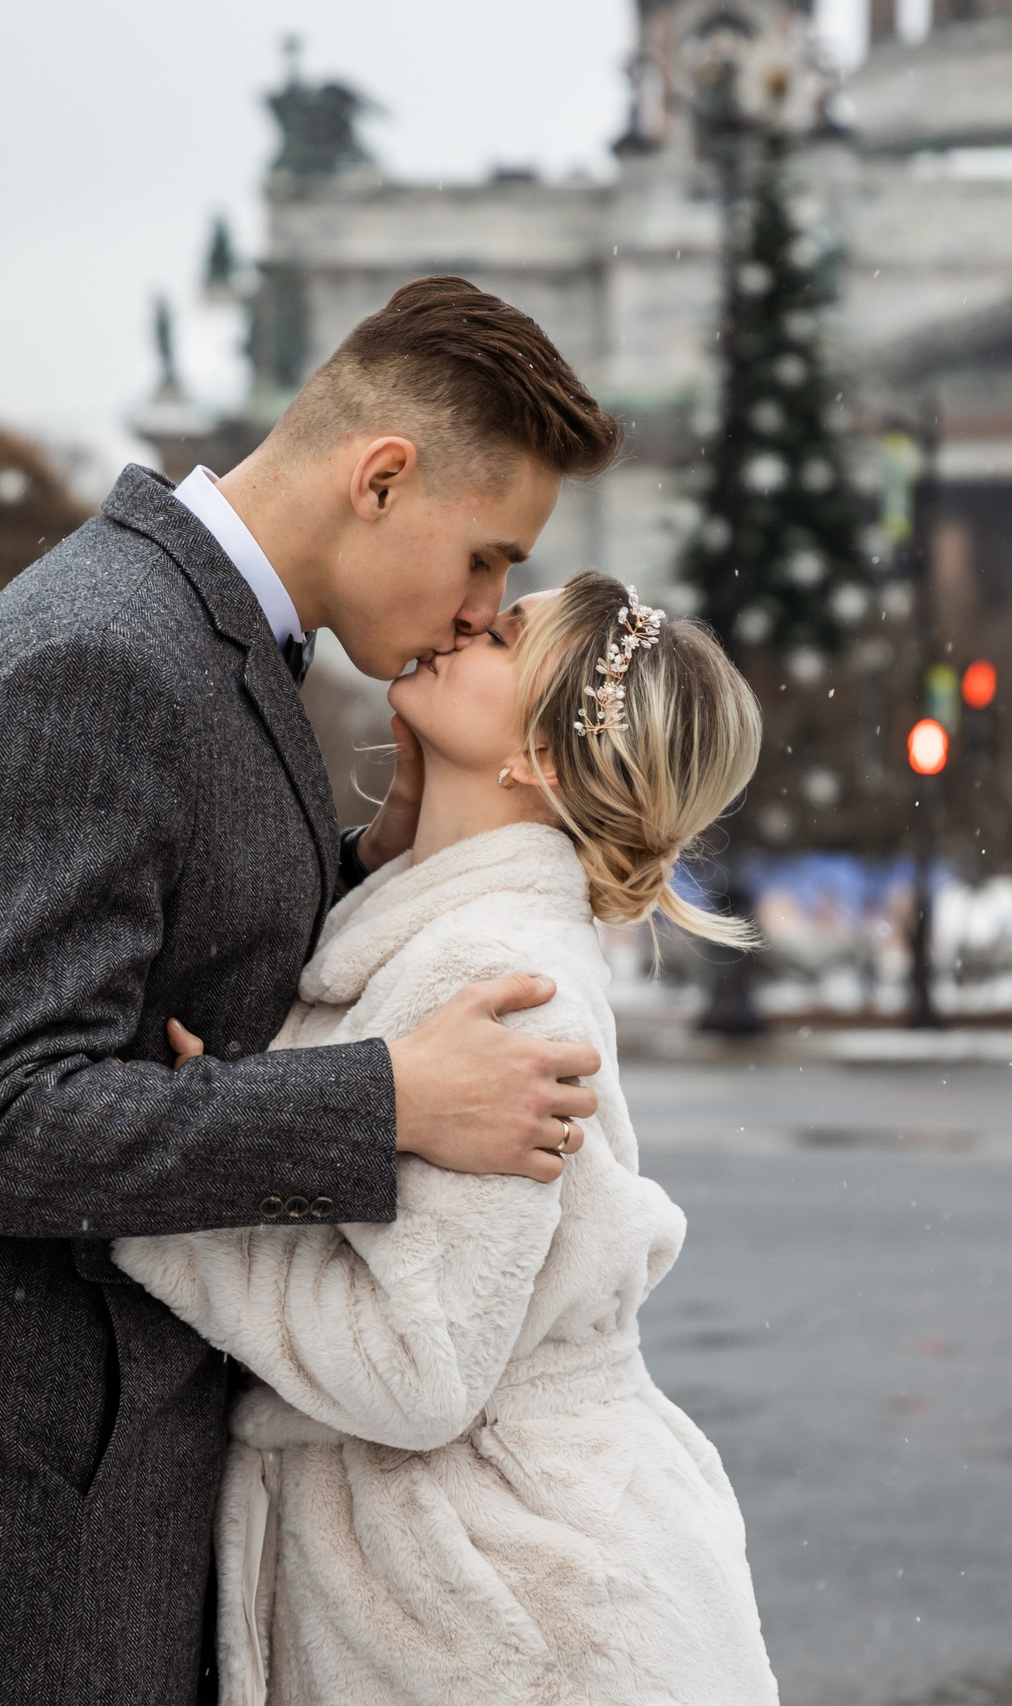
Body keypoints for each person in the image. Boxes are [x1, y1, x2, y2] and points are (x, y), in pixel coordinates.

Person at [0, 278, 625, 1703]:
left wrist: (381, 856)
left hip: (80, 1498)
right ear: (383, 475)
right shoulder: (102, 660)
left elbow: (181, 950)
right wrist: (389, 1097)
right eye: (487, 559)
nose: (485, 610)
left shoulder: (196, 634)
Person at [116, 573, 779, 1705]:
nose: (468, 616)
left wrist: (177, 1199)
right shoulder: (438, 926)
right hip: (480, 1570)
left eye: (505, 631)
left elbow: (419, 1367)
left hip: (507, 1606)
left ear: (544, 758)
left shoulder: (493, 980)